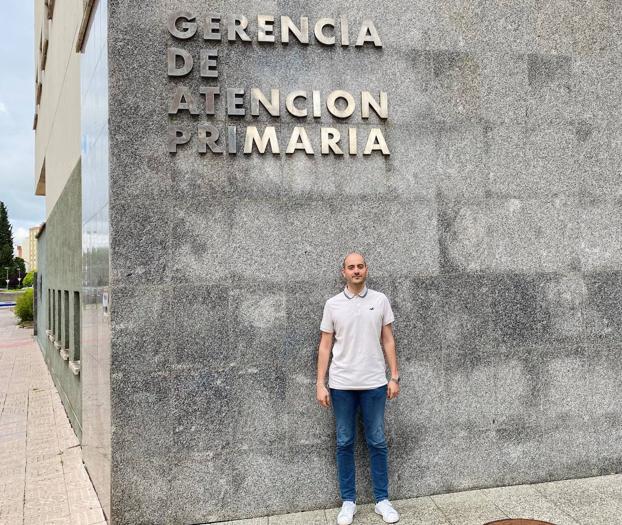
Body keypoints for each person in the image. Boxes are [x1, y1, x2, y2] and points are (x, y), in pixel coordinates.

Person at [317, 252, 400, 525]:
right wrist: (320, 383)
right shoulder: (333, 304)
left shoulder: (380, 300)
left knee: (376, 440)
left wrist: (394, 376)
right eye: (351, 267)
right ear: (343, 272)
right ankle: (348, 501)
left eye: (360, 266)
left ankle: (382, 500)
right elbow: (325, 346)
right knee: (344, 442)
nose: (356, 271)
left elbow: (388, 340)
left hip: (375, 383)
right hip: (341, 385)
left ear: (366, 269)